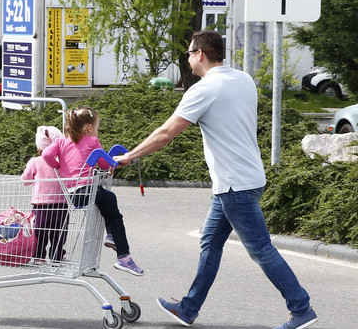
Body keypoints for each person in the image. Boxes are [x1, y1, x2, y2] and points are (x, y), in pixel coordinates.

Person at [113, 30, 317, 329]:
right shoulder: (243, 79)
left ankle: (301, 309)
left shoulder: (205, 89)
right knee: (210, 242)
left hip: (235, 184)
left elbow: (166, 133)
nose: (188, 59)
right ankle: (188, 308)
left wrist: (129, 156)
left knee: (261, 249)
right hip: (245, 178)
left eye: (189, 53)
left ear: (200, 54)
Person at [42, 106, 144, 276]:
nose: (97, 131)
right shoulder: (92, 141)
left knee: (107, 203)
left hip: (74, 194)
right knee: (111, 204)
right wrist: (112, 165)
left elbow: (46, 154)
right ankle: (123, 256)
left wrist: (58, 166)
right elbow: (104, 164)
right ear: (89, 128)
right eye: (97, 127)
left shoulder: (61, 142)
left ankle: (112, 238)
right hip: (87, 190)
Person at [21, 125, 66, 264]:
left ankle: (39, 256)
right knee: (59, 233)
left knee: (40, 232)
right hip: (61, 205)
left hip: (40, 205)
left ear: (39, 147)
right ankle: (57, 257)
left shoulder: (34, 161)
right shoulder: (63, 162)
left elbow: (25, 181)